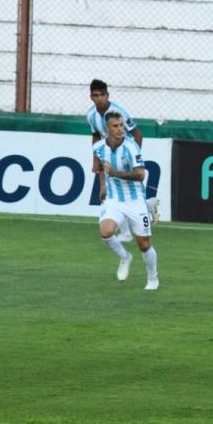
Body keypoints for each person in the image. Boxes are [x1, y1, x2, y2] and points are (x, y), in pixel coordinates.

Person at [94, 111, 160, 291]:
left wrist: (115, 173)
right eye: (115, 126)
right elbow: (100, 167)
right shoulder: (99, 147)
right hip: (114, 199)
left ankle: (153, 278)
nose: (120, 129)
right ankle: (124, 256)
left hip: (135, 200)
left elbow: (140, 175)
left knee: (144, 244)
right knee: (105, 232)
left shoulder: (131, 147)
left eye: (122, 125)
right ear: (107, 129)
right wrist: (103, 186)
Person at [86, 79, 159, 235]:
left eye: (102, 95)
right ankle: (132, 222)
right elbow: (96, 136)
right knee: (112, 192)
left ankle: (128, 226)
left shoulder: (118, 112)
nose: (99, 98)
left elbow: (137, 133)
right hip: (108, 151)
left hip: (124, 152)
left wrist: (134, 156)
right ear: (91, 97)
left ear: (107, 95)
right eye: (95, 95)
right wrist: (94, 159)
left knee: (126, 191)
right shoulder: (91, 115)